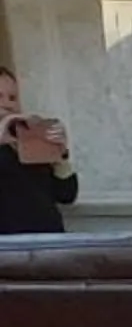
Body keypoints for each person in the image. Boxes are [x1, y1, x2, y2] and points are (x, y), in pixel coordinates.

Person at [0, 65, 79, 235]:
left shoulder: (28, 138)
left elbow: (67, 195)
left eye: (12, 98)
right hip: (8, 248)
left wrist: (60, 157)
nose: (7, 104)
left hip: (48, 242)